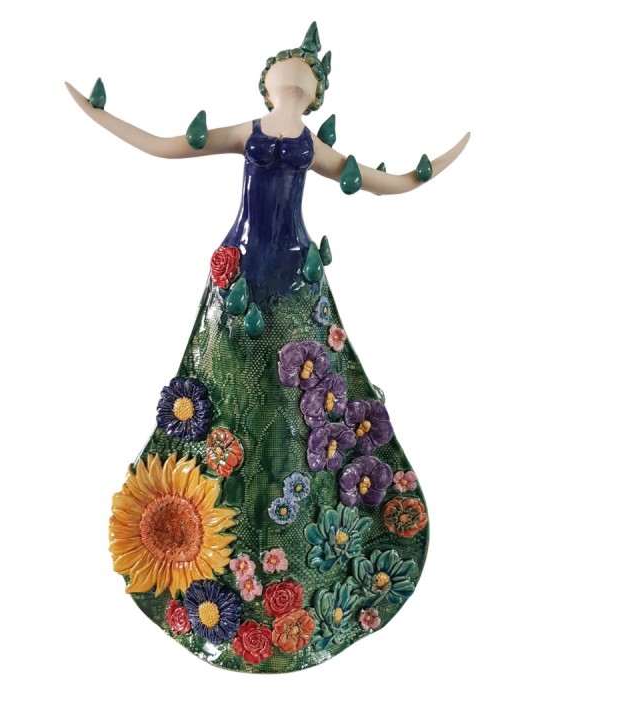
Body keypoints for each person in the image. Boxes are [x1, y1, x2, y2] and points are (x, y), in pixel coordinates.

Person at [67, 22, 468, 673]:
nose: (294, 77)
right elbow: (168, 146)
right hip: (242, 274)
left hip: (295, 275)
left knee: (300, 398)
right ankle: (212, 535)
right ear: (268, 82)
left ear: (314, 92)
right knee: (229, 388)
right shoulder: (245, 130)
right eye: (286, 68)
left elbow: (378, 180)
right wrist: (101, 115)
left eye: (307, 73)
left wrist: (432, 167)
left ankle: (297, 540)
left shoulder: (314, 145)